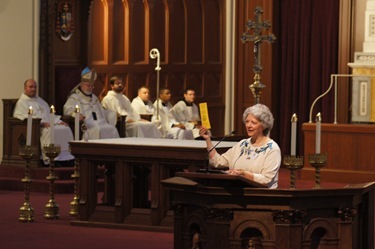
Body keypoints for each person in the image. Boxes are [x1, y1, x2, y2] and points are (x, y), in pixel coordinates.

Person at [199, 104, 281, 188]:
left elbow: (266, 179)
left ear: (264, 125)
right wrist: (208, 139)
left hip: (260, 195)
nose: (248, 125)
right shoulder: (242, 144)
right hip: (237, 192)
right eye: (247, 121)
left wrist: (243, 174)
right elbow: (217, 162)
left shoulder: (272, 149)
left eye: (253, 122)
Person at [13, 79, 75, 166]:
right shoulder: (21, 102)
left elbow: (50, 115)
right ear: (25, 88)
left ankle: (67, 158)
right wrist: (40, 123)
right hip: (38, 128)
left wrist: (59, 121)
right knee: (50, 131)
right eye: (30, 87)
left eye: (35, 87)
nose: (33, 89)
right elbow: (21, 116)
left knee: (66, 128)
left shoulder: (40, 101)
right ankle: (51, 159)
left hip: (48, 124)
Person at [63, 67, 119, 140]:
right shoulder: (75, 97)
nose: (90, 88)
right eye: (88, 85)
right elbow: (67, 110)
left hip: (101, 123)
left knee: (112, 129)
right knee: (99, 130)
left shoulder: (94, 97)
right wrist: (75, 115)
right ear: (82, 84)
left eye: (92, 86)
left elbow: (101, 112)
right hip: (88, 127)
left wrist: (113, 114)